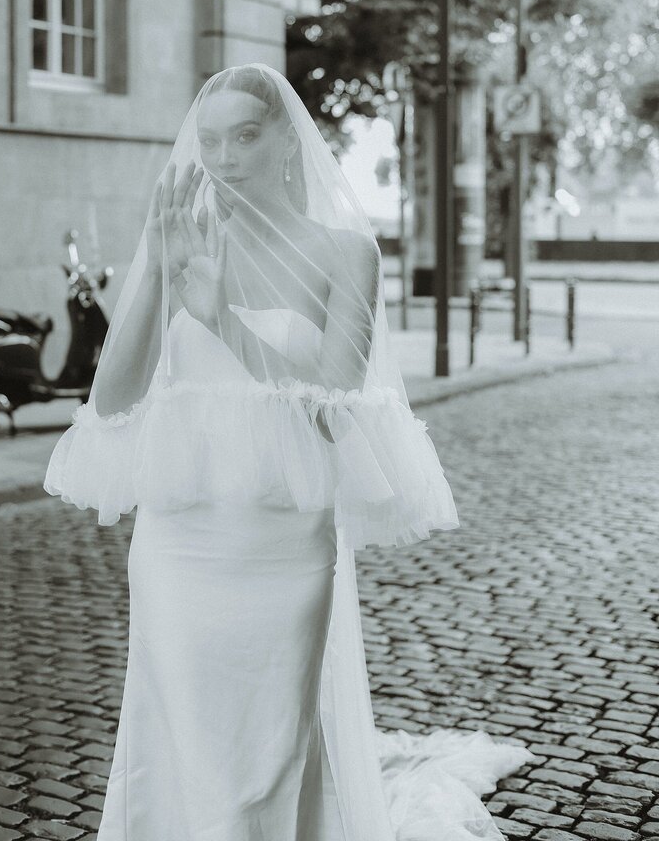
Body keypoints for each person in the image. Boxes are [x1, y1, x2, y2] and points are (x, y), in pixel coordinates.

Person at [43, 63, 534, 840]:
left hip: (284, 548)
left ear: (286, 144)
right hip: (179, 543)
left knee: (267, 755)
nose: (225, 156)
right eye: (211, 140)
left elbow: (336, 412)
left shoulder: (346, 255)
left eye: (245, 135)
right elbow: (111, 400)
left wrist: (224, 323)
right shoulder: (186, 240)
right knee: (182, 741)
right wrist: (156, 267)